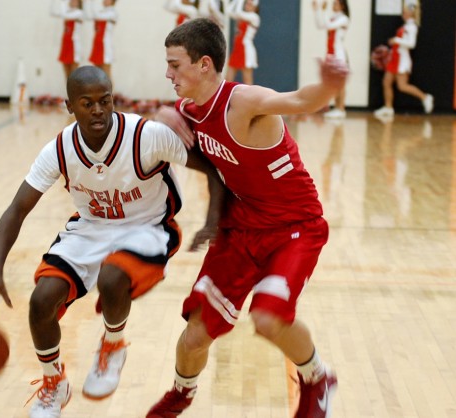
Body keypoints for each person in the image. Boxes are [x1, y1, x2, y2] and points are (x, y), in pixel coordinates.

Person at [0, 66, 225, 418]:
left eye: (105, 101)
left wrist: (212, 221)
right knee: (41, 300)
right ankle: (54, 382)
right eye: (87, 103)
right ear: (69, 106)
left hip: (148, 227)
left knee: (112, 277)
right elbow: (16, 210)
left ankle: (113, 344)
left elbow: (212, 168)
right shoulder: (60, 148)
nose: (98, 110)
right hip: (91, 227)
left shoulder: (145, 136)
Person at [146, 18, 348, 418]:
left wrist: (328, 85)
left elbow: (302, 101)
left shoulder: (245, 101)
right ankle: (181, 393)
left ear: (204, 64)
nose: (168, 73)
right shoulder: (188, 108)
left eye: (175, 64)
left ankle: (317, 376)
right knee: (194, 337)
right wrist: (164, 115)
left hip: (294, 226)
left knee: (268, 317)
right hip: (241, 228)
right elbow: (187, 138)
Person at [373, 1, 433, 120]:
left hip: (402, 60)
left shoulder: (412, 27)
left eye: (405, 11)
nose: (403, 13)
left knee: (402, 86)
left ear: (410, 13)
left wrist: (396, 40)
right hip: (395, 58)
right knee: (386, 82)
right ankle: (388, 107)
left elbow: (411, 44)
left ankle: (425, 97)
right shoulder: (405, 26)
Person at [312, 0, 350, 119]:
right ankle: (337, 108)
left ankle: (341, 108)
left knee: (340, 84)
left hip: (339, 55)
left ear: (342, 6)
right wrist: (318, 10)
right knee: (333, 83)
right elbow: (320, 25)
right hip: (331, 54)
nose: (333, 5)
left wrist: (322, 12)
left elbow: (328, 25)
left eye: (335, 3)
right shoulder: (334, 17)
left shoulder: (344, 18)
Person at [226, 0, 260, 85]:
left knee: (248, 81)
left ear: (255, 7)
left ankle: (252, 98)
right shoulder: (244, 16)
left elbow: (238, 13)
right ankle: (225, 97)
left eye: (250, 4)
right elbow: (228, 11)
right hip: (237, 49)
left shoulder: (254, 17)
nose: (247, 5)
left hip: (246, 50)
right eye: (246, 4)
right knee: (228, 80)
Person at [50, 0, 86, 80]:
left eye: (75, 1)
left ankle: (76, 92)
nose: (72, 1)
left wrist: (63, 2)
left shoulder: (79, 13)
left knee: (74, 74)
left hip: (74, 45)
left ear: (79, 3)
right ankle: (68, 92)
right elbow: (52, 12)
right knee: (67, 75)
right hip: (65, 44)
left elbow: (65, 16)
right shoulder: (68, 11)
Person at [88, 0, 118, 80]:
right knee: (96, 76)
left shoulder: (112, 12)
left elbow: (97, 16)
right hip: (97, 45)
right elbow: (90, 16)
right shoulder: (101, 12)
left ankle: (110, 92)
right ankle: (99, 92)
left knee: (106, 76)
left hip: (105, 48)